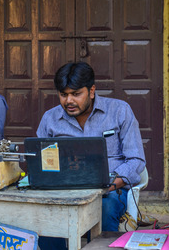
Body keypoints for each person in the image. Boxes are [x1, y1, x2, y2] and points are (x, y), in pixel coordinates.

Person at [36, 62, 146, 249]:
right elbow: (40, 161)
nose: (68, 101)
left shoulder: (120, 111)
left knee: (105, 209)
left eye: (76, 94)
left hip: (110, 191)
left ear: (92, 90)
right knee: (44, 214)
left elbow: (136, 160)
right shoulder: (50, 118)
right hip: (65, 191)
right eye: (63, 94)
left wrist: (107, 184)